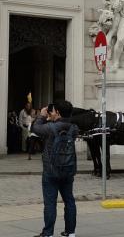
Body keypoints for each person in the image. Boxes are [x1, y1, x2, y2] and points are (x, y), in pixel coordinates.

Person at [32, 101, 79, 237]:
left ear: (57, 112)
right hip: (68, 169)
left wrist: (41, 116)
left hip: (50, 171)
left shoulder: (50, 127)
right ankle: (70, 232)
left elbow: (35, 128)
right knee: (69, 201)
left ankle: (48, 233)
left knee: (50, 203)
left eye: (52, 111)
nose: (50, 113)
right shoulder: (74, 128)